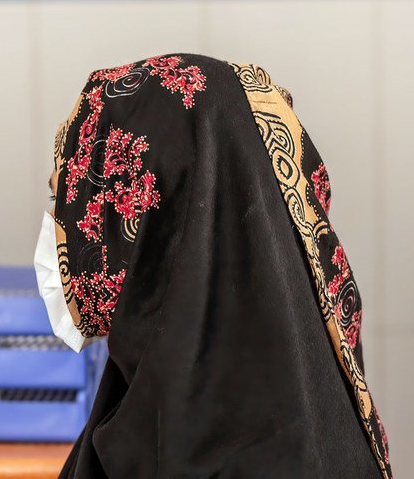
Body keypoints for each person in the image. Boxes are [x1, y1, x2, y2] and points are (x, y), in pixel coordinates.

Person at [34, 54, 390, 478]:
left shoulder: (173, 447)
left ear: (141, 222)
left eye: (63, 202)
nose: (58, 230)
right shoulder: (315, 412)